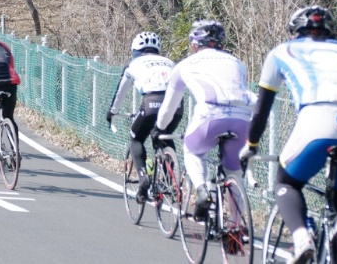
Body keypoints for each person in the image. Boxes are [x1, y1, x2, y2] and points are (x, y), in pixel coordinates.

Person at [239, 6, 337, 264]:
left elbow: (261, 111)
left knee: (287, 182)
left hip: (318, 118)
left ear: (294, 31)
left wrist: (251, 145)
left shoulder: (281, 52)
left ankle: (302, 239)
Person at [153, 20, 254, 221]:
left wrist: (159, 128)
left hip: (210, 116)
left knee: (192, 151)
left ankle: (202, 190)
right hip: (243, 119)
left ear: (193, 45)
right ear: (222, 44)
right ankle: (236, 226)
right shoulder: (238, 63)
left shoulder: (184, 65)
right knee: (234, 171)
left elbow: (168, 108)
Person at [105, 32, 178, 204]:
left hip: (151, 103)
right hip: (176, 106)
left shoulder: (134, 64)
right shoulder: (170, 63)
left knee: (136, 138)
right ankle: (168, 180)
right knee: (164, 135)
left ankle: (143, 177)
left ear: (135, 49)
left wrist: (112, 112)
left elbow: (120, 93)